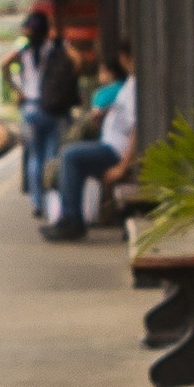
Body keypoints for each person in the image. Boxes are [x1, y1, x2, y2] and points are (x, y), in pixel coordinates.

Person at [43, 39, 138, 241]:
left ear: (126, 58)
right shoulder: (130, 83)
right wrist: (105, 116)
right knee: (71, 154)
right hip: (111, 146)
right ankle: (68, 218)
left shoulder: (135, 86)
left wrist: (122, 167)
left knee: (71, 155)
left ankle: (72, 220)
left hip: (116, 151)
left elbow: (136, 129)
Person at [1, 8, 76, 218]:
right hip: (53, 109)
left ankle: (37, 202)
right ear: (47, 30)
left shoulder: (23, 51)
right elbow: (77, 61)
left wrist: (18, 90)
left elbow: (4, 64)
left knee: (35, 157)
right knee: (52, 156)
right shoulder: (56, 47)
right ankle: (53, 201)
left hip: (30, 109)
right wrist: (68, 83)